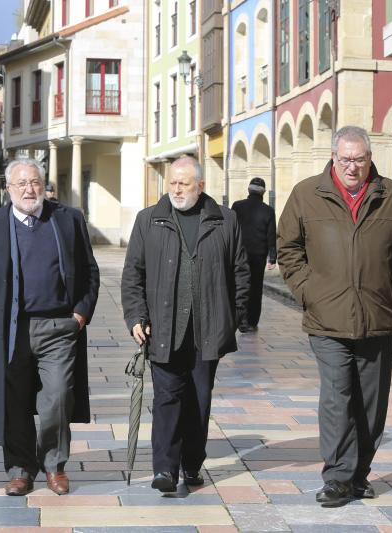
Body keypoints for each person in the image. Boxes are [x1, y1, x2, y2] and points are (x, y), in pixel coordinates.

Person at [277, 126, 392, 507]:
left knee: (371, 404)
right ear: (333, 157)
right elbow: (288, 249)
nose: (352, 167)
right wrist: (309, 291)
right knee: (337, 396)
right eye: (345, 159)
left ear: (369, 158)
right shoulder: (306, 194)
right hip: (327, 319)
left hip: (376, 315)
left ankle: (359, 474)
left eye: (359, 159)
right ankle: (338, 477)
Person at [0, 158, 99, 497]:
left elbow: (90, 272)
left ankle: (54, 464)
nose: (29, 189)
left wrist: (79, 315)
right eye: (20, 183)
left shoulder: (68, 220)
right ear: (7, 189)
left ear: (44, 184)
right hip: (8, 331)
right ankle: (21, 469)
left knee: (58, 398)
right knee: (14, 401)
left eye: (34, 182)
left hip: (58, 328)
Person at [121, 156, 250, 493]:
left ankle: (192, 463)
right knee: (167, 398)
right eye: (173, 183)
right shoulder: (148, 220)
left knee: (199, 400)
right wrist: (136, 316)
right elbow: (133, 274)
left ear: (201, 186)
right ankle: (165, 469)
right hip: (162, 329)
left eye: (184, 183)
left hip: (208, 330)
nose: (176, 189)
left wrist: (231, 318)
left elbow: (241, 273)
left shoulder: (226, 220)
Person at [231, 177, 276, 332]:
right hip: (258, 255)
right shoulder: (268, 211)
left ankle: (240, 320)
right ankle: (251, 321)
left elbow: (231, 230)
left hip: (238, 253)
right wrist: (273, 257)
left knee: (240, 285)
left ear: (248, 190)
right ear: (263, 193)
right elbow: (271, 235)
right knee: (256, 288)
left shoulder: (237, 206)